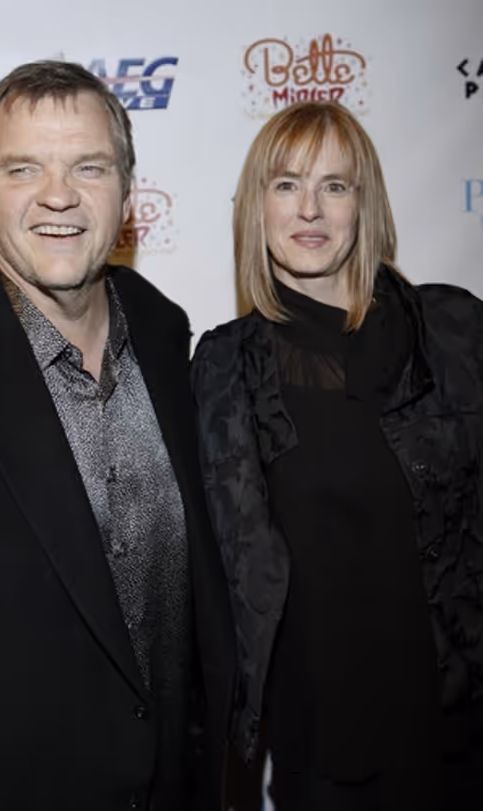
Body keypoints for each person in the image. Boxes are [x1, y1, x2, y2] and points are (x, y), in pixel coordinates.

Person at [0, 60, 234, 811]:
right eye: (24, 168)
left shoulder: (167, 332)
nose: (59, 194)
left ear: (127, 192)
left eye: (89, 166)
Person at [191, 101, 483, 811]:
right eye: (286, 183)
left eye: (335, 184)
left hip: (462, 732)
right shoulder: (225, 363)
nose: (310, 208)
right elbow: (220, 571)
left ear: (366, 203)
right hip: (323, 752)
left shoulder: (453, 328)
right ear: (257, 206)